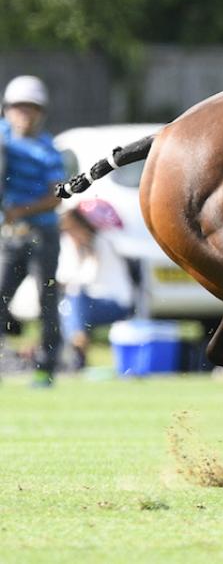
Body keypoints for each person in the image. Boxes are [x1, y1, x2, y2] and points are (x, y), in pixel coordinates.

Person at [0, 75, 65, 386]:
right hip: (9, 236)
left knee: (46, 300)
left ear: (41, 113)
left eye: (31, 109)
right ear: (7, 110)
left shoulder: (48, 150)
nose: (24, 114)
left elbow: (56, 197)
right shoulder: (2, 138)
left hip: (43, 236)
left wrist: (18, 211)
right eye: (18, 108)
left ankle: (46, 366)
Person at [57, 201, 134, 370]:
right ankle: (77, 344)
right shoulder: (70, 245)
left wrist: (83, 254)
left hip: (114, 303)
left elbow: (84, 278)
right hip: (85, 304)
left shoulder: (102, 243)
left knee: (73, 300)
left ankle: (77, 346)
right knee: (66, 307)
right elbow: (64, 275)